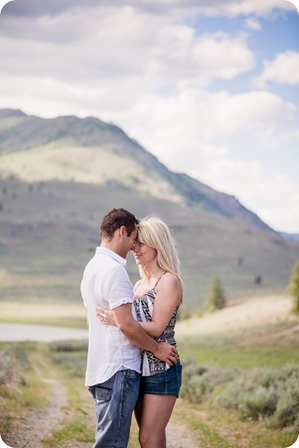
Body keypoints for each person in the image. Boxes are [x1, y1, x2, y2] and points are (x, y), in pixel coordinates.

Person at [80, 208, 178, 448]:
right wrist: (122, 322)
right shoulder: (136, 283)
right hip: (139, 365)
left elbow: (154, 327)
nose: (135, 248)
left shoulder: (169, 281)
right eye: (135, 242)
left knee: (148, 438)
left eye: (141, 243)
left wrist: (119, 321)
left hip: (159, 365)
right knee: (148, 438)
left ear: (157, 245)